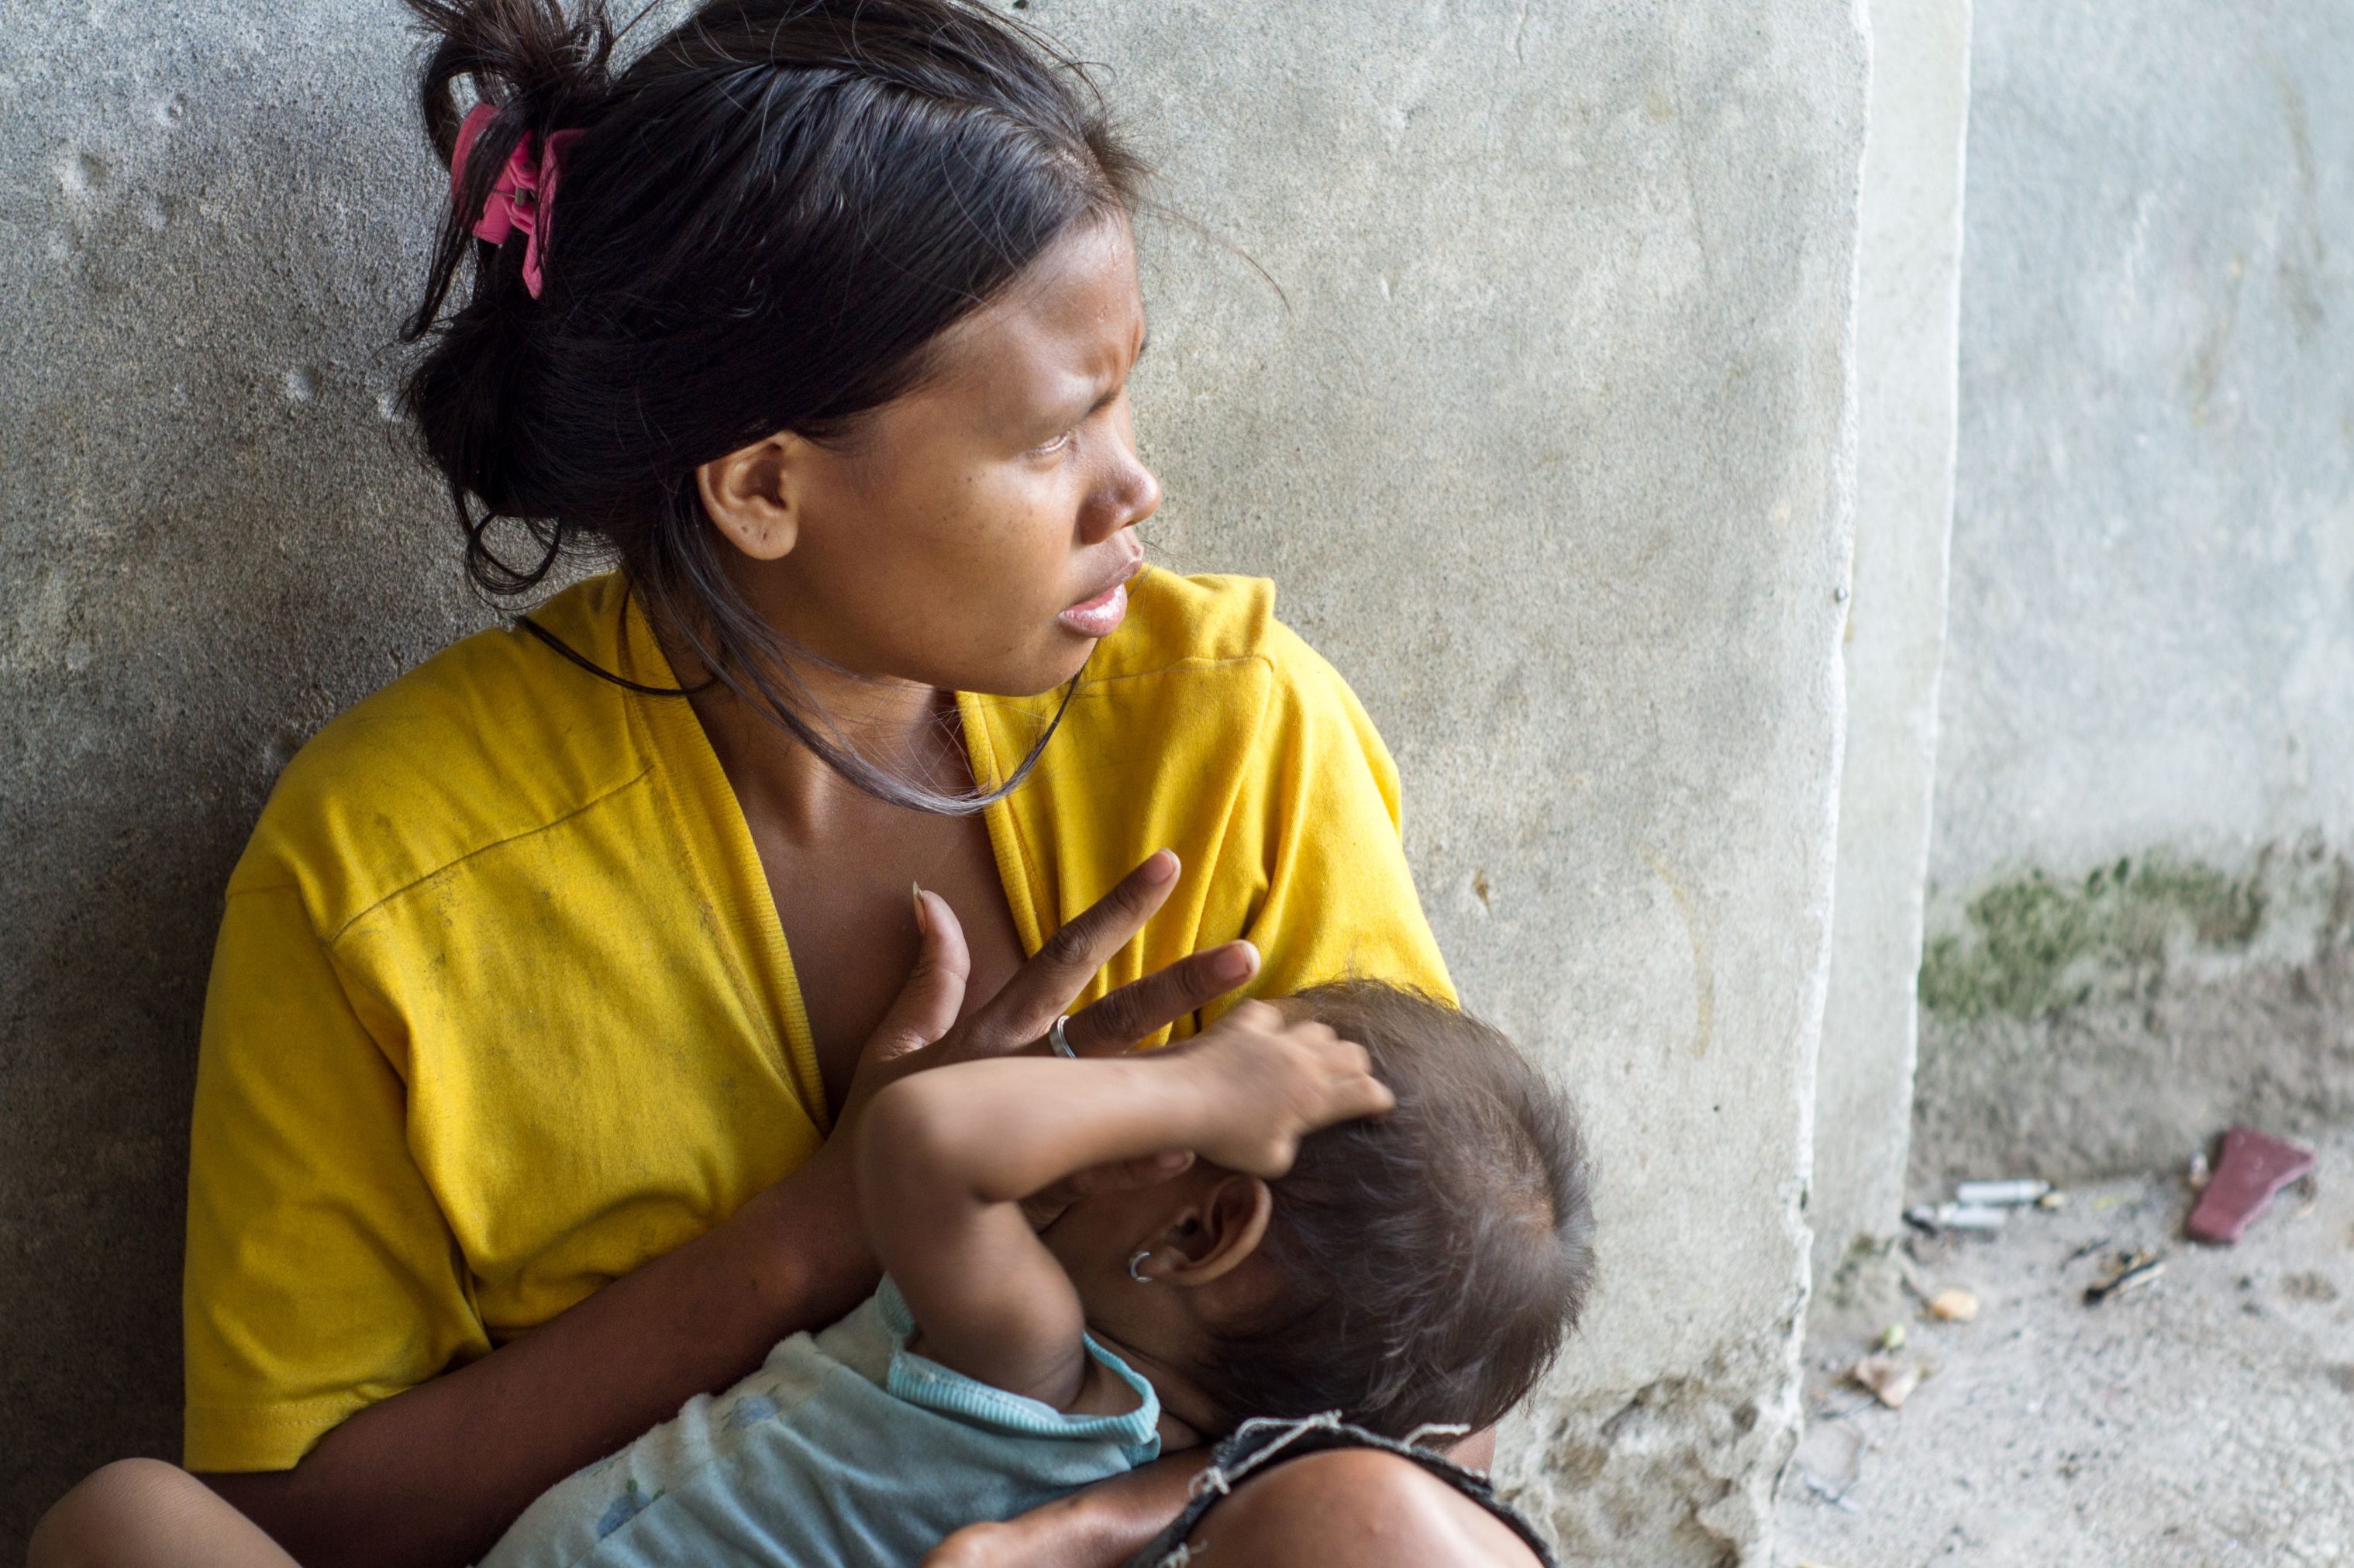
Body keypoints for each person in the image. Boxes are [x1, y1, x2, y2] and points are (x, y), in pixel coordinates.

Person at [36, 0, 1553, 1563]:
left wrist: (1091, 1525)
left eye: (1122, 394)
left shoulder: (1232, 733)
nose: (1134, 484)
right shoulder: (388, 869)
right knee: (125, 1535)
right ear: (764, 485)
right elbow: (316, 1518)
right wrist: (816, 1236)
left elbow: (1435, 1371)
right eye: (1052, 434)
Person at [33, 985, 1591, 1568]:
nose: (1157, 1071)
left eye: (1195, 1074)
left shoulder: (1041, 1366)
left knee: (117, 1517)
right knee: (128, 1519)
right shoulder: (1124, 1452)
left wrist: (1191, 1098)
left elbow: (914, 1142)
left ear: (1200, 1233)